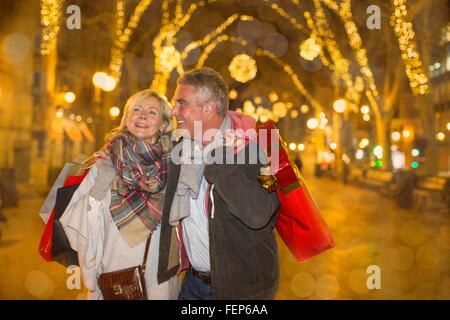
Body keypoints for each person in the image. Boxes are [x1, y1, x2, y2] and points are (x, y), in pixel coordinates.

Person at [157, 68, 280, 300]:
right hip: (193, 283)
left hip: (241, 290)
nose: (174, 111)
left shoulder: (250, 147)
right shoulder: (182, 149)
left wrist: (219, 161)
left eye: (182, 103)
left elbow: (259, 214)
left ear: (209, 107)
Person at [61, 89, 179, 299]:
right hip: (113, 274)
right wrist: (98, 191)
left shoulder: (175, 165)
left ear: (163, 124)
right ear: (127, 119)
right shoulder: (104, 162)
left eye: (152, 112)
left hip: (157, 277)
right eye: (137, 109)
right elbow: (76, 222)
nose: (143, 115)